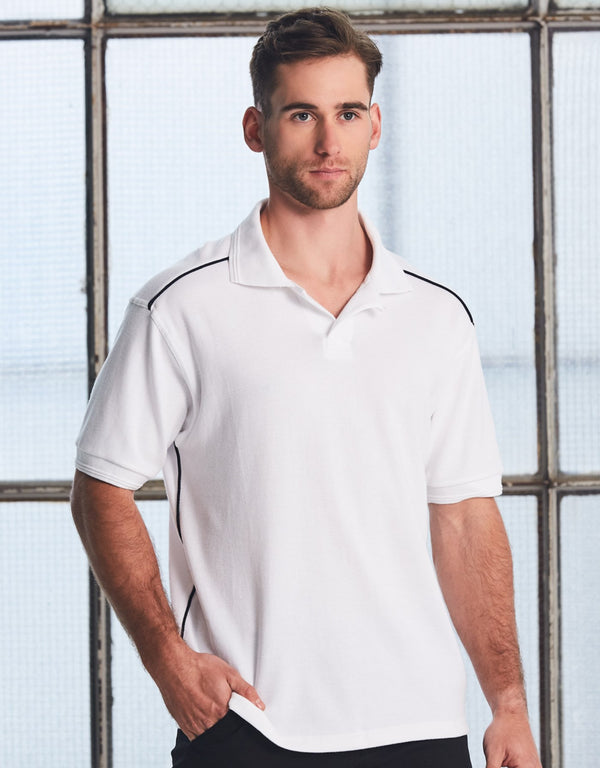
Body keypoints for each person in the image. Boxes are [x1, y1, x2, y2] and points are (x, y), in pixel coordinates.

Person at [71, 8, 542, 768]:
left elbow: (465, 518)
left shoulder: (435, 316)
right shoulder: (180, 308)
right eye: (301, 115)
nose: (329, 142)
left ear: (375, 126)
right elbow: (100, 487)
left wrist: (509, 703)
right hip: (248, 723)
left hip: (419, 723)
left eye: (348, 113)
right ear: (255, 129)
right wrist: (168, 661)